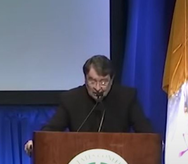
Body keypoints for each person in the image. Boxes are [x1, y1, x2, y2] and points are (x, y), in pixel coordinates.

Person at [24, 55, 154, 156]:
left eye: (103, 82)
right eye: (92, 81)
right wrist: (38, 142)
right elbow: (52, 128)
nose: (97, 88)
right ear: (85, 79)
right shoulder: (71, 99)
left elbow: (145, 131)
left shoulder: (126, 97)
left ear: (112, 79)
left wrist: (155, 143)